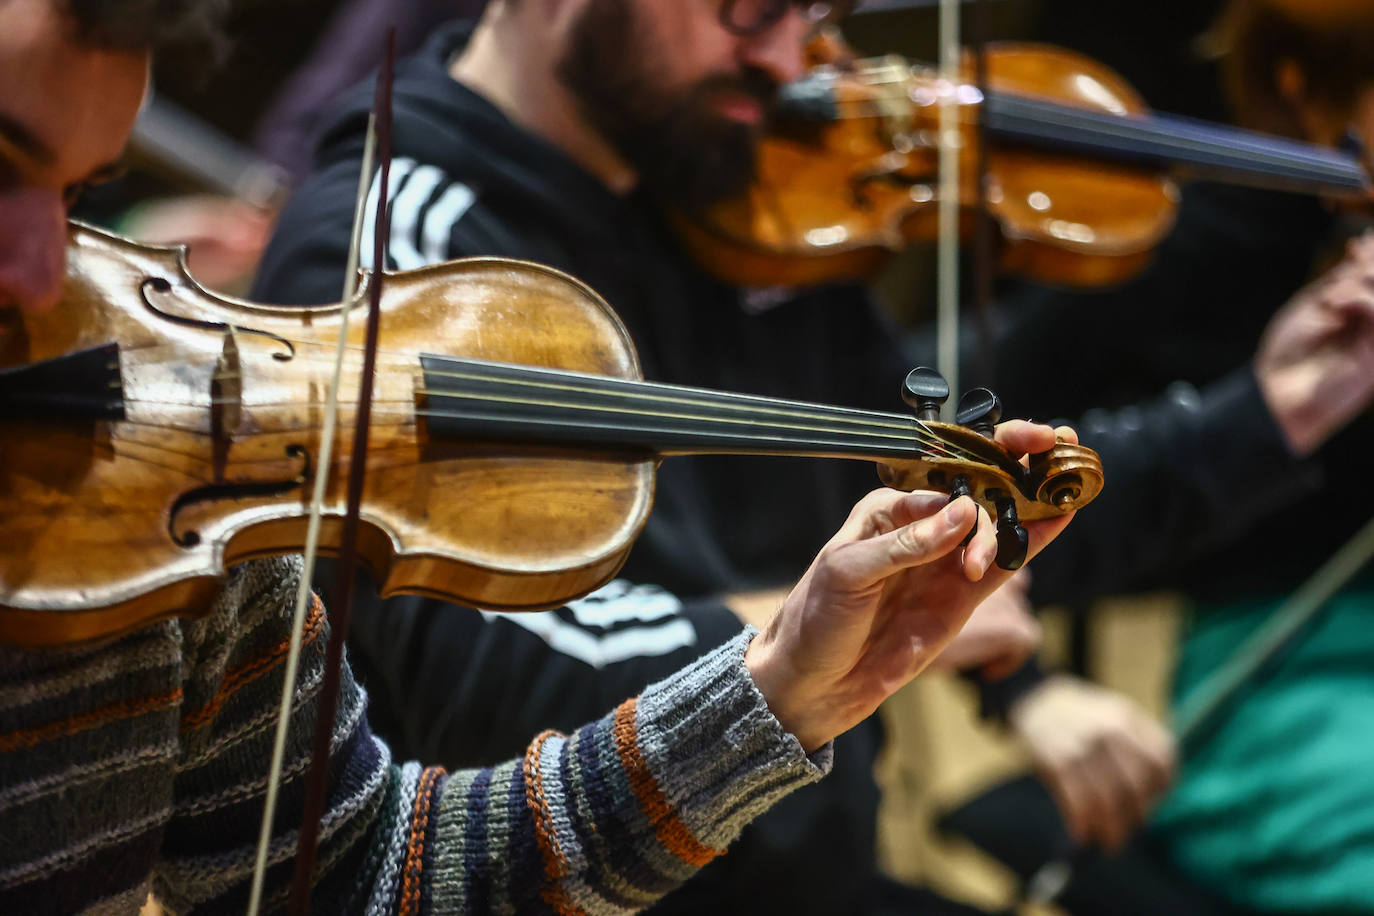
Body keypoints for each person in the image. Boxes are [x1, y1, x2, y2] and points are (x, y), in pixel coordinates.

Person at [0, 0, 1078, 911]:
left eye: (83, 193)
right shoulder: (398, 226)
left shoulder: (159, 529)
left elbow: (369, 870)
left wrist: (779, 688)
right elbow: (486, 680)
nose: (45, 279)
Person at [946, 1, 1374, 911]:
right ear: (1306, 90)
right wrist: (1021, 685)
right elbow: (962, 477)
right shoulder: (1188, 250)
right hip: (1286, 672)